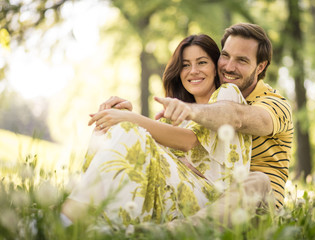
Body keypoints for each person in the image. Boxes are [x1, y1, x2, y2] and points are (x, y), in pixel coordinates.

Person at [61, 34, 252, 226]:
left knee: (129, 130)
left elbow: (188, 141)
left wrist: (131, 119)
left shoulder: (227, 95)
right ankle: (86, 219)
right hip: (175, 193)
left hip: (210, 203)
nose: (193, 71)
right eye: (185, 65)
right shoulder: (178, 117)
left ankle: (66, 219)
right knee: (119, 131)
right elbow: (152, 154)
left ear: (215, 67)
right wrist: (121, 117)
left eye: (201, 62)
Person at [107, 23, 293, 212]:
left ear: (260, 66)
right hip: (209, 197)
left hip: (257, 203)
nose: (229, 67)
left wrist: (190, 111)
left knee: (257, 180)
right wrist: (128, 118)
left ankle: (177, 231)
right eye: (226, 56)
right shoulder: (211, 100)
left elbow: (236, 117)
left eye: (242, 61)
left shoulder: (275, 103)